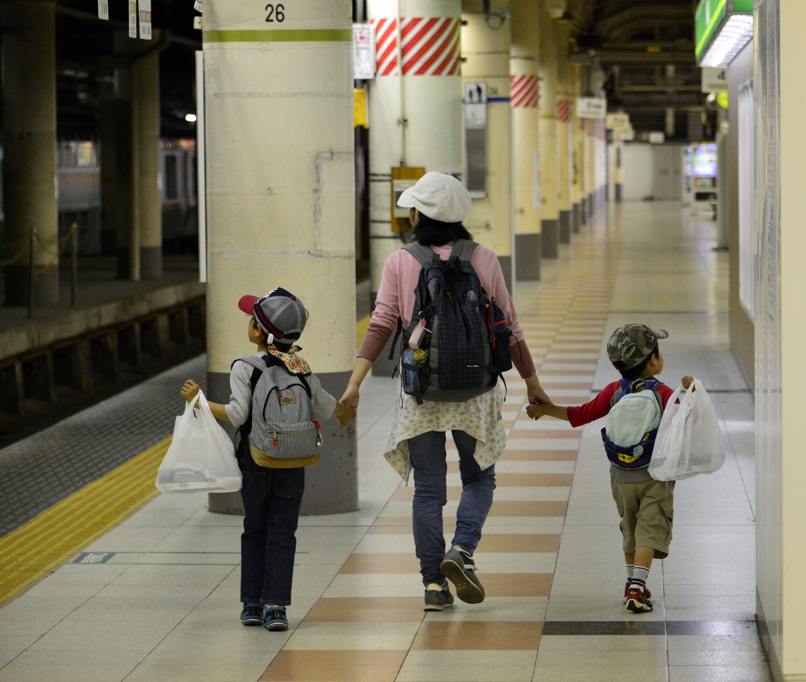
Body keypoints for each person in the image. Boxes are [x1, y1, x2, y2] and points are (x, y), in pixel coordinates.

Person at [339, 172, 551, 611]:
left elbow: (381, 324)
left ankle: (433, 586)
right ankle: (463, 550)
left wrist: (354, 383)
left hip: (421, 393)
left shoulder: (400, 261)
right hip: (475, 392)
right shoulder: (484, 258)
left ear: (417, 213)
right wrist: (533, 383)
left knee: (429, 491)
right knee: (479, 477)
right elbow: (509, 327)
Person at [180, 288, 353, 631]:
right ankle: (277, 607)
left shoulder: (245, 367)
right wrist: (346, 413)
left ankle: (252, 605)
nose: (249, 322)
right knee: (283, 533)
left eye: (252, 319)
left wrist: (198, 401)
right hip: (294, 462)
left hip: (256, 461)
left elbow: (236, 413)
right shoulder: (300, 365)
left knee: (254, 530)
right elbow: (323, 403)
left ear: (259, 332)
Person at [527, 324, 692, 613]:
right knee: (649, 531)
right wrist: (689, 391)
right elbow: (685, 418)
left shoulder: (614, 390)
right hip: (655, 477)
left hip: (620, 476)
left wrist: (545, 409)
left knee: (630, 529)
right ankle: (637, 591)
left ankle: (632, 582)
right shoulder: (663, 392)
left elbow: (579, 415)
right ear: (654, 359)